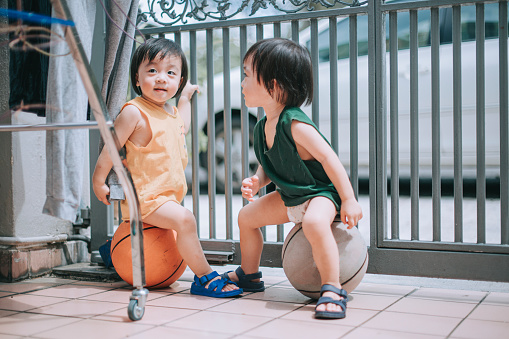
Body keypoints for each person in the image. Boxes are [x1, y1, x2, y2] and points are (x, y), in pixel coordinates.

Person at [222, 38, 363, 318]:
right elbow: (268, 163)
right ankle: (250, 274)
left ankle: (333, 288)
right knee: (246, 218)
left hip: (320, 193)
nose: (242, 83)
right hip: (292, 194)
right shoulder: (261, 126)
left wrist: (348, 199)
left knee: (313, 222)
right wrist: (258, 180)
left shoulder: (296, 124)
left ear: (273, 85)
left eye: (247, 75)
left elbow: (330, 159)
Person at [92, 38, 242, 298]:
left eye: (170, 73)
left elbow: (181, 126)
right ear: (137, 79)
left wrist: (185, 98)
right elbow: (110, 147)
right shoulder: (134, 112)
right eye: (152, 71)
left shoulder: (169, 112)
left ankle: (111, 250)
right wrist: (98, 180)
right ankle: (205, 277)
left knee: (181, 219)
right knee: (186, 219)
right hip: (145, 199)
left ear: (179, 80)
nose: (161, 78)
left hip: (165, 197)